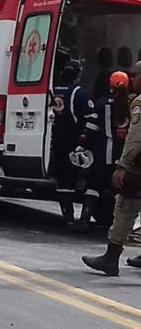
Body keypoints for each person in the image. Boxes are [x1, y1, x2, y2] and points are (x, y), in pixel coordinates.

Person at [82, 62, 141, 276]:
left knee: (125, 208)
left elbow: (135, 140)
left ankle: (111, 257)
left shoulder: (139, 104)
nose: (133, 79)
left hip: (136, 167)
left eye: (135, 75)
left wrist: (122, 166)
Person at [71, 71, 130, 232]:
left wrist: (82, 145)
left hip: (102, 154)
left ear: (110, 84)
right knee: (120, 191)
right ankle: (117, 225)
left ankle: (84, 220)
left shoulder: (102, 103)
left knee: (93, 186)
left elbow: (91, 128)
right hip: (123, 156)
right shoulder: (131, 104)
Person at [50, 60, 96, 225]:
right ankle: (82, 218)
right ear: (77, 74)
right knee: (81, 179)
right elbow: (90, 118)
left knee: (63, 182)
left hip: (56, 141)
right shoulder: (80, 94)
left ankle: (67, 217)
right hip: (74, 143)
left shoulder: (53, 91)